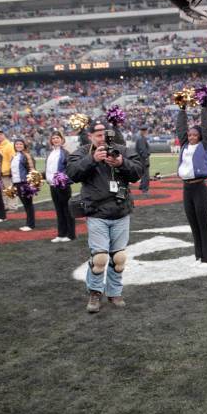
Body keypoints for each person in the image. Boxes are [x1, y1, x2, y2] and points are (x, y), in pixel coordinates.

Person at [66, 120, 143, 313]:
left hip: (120, 210)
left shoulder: (122, 150)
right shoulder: (83, 152)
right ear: (90, 136)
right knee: (100, 258)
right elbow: (72, 174)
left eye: (105, 133)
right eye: (98, 134)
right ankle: (95, 292)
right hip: (96, 212)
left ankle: (114, 292)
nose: (102, 137)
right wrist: (93, 159)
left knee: (119, 257)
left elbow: (137, 172)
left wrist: (121, 162)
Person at [176, 103, 207, 266]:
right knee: (193, 222)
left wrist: (204, 109)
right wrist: (182, 110)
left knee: (203, 223)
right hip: (187, 188)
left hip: (200, 188)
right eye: (189, 135)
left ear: (199, 136)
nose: (191, 137)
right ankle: (199, 256)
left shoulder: (205, 147)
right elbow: (180, 128)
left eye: (194, 135)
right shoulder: (185, 145)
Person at [45, 129, 76, 242]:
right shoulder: (50, 153)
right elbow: (49, 169)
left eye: (57, 138)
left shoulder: (65, 153)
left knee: (67, 209)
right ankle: (61, 234)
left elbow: (70, 169)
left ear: (62, 140)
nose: (55, 140)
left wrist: (64, 179)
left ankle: (71, 234)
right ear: (51, 141)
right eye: (53, 138)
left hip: (63, 186)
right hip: (52, 185)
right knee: (58, 210)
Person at [11, 138, 36, 231]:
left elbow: (32, 170)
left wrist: (30, 183)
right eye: (17, 144)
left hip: (25, 183)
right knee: (25, 204)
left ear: (24, 145)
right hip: (17, 182)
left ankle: (30, 224)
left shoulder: (27, 156)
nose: (18, 146)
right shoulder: (14, 156)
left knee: (28, 204)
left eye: (20, 144)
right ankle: (29, 223)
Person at [0, 129, 18, 211]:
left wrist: (11, 170)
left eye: (1, 134)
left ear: (4, 135)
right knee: (2, 191)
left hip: (6, 171)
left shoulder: (9, 145)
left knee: (10, 190)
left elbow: (13, 158)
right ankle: (5, 206)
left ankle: (13, 206)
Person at [135, 126, 151, 194]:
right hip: (143, 159)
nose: (147, 132)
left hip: (141, 159)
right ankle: (145, 189)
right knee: (146, 175)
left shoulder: (140, 138)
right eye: (146, 131)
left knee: (143, 174)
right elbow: (143, 150)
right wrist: (146, 158)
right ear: (144, 131)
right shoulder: (141, 139)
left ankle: (141, 186)